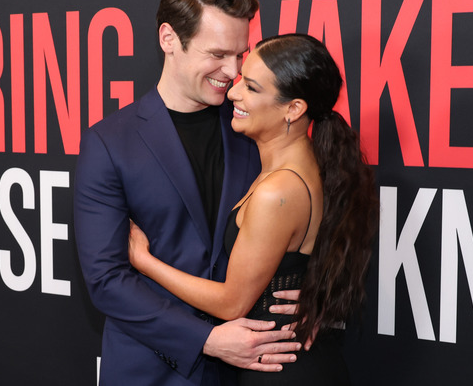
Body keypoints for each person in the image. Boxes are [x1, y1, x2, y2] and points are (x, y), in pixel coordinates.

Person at [74, 0, 302, 386]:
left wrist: (316, 294)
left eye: (241, 54)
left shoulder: (255, 130)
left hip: (249, 371)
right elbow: (107, 281)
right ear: (169, 39)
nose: (232, 71)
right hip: (151, 371)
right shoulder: (110, 143)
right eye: (217, 53)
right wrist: (207, 339)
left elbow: (304, 218)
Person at [128, 33, 380, 385]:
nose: (233, 92)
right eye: (242, 79)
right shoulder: (315, 164)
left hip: (281, 373)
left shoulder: (278, 190)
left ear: (294, 109)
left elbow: (232, 303)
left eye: (252, 87)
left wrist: (143, 260)